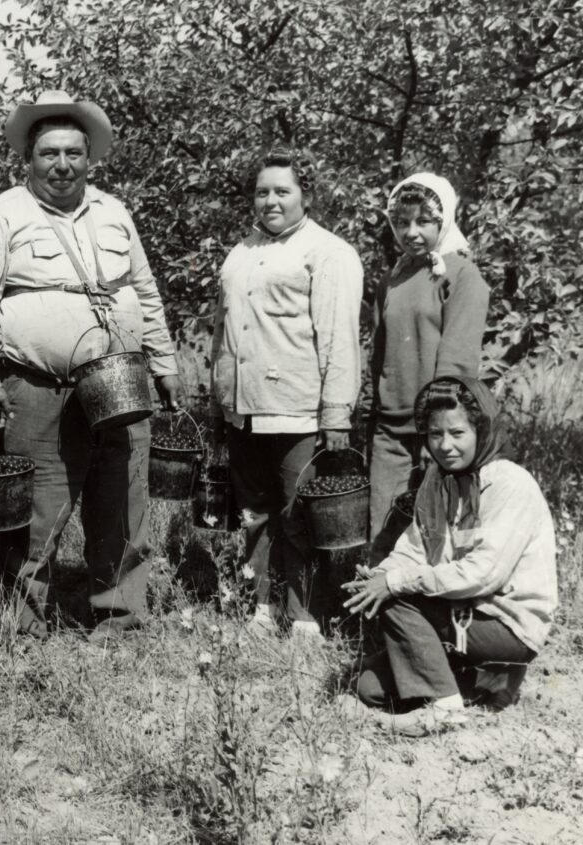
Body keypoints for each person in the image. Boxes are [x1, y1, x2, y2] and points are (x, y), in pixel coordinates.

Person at [0, 90, 182, 640]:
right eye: (49, 154)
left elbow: (145, 292)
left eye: (73, 154)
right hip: (37, 388)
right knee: (37, 511)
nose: (62, 165)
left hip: (120, 383)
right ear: (28, 159)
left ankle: (121, 619)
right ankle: (23, 629)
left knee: (121, 503)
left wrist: (165, 362)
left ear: (90, 158)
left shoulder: (114, 212)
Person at [343, 376, 557, 735]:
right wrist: (377, 577)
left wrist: (393, 584)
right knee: (368, 686)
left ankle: (444, 709)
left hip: (504, 623)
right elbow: (415, 547)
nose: (445, 446)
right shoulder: (436, 479)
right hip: (459, 613)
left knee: (398, 596)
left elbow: (483, 574)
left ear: (481, 429)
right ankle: (482, 681)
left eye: (457, 434)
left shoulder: (509, 483)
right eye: (434, 434)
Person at [210, 148, 363, 642]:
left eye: (283, 191)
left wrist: (336, 412)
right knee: (253, 513)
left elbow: (338, 336)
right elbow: (223, 333)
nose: (271, 201)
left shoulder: (327, 252)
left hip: (298, 409)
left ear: (306, 195)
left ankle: (304, 617)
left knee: (299, 515)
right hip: (244, 409)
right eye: (262, 191)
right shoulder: (241, 252)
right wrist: (219, 400)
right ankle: (261, 608)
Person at [368, 173, 489, 561]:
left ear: (444, 221)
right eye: (402, 222)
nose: (411, 232)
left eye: (423, 221)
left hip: (437, 431)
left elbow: (457, 360)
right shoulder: (393, 278)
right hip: (390, 429)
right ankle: (379, 618)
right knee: (383, 528)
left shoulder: (461, 275)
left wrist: (437, 433)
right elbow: (378, 354)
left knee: (437, 534)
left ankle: (439, 617)